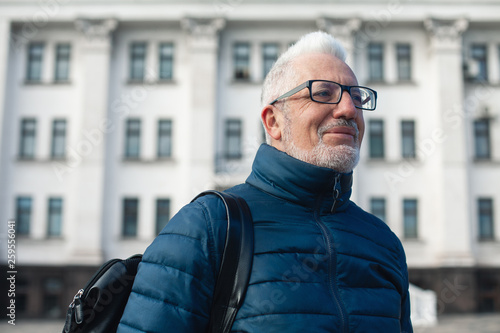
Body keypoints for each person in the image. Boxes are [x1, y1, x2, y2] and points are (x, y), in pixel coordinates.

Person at [118, 31, 413, 333]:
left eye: (356, 96)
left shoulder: (384, 244)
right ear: (273, 122)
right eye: (323, 93)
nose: (349, 110)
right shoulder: (206, 227)